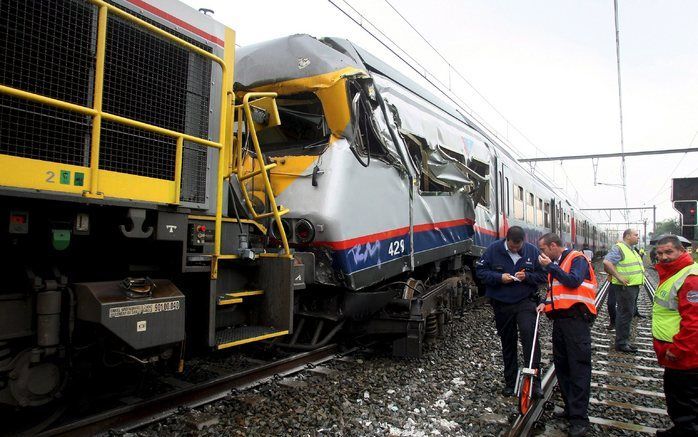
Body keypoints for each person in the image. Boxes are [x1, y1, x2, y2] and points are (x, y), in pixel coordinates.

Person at [537, 233, 597, 437]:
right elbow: (555, 291)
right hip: (561, 321)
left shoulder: (577, 259)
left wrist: (550, 267)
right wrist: (544, 304)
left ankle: (580, 419)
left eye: (543, 249)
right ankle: (571, 409)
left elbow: (573, 282)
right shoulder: (558, 263)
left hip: (576, 321)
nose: (542, 254)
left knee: (578, 367)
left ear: (554, 246)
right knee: (562, 366)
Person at [475, 226, 547, 397]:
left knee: (529, 337)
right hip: (502, 303)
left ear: (523, 241)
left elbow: (544, 276)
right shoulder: (493, 250)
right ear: (506, 240)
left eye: (518, 247)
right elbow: (481, 272)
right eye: (512, 247)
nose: (515, 249)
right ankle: (511, 381)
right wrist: (499, 278)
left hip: (525, 301)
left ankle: (535, 382)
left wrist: (528, 277)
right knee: (508, 341)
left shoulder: (532, 251)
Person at [651, 235, 698, 436]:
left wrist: (677, 349)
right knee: (677, 398)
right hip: (675, 353)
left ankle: (686, 431)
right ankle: (680, 429)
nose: (664, 257)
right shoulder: (674, 273)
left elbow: (694, 323)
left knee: (685, 401)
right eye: (660, 253)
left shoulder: (689, 279)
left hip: (684, 355)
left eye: (669, 252)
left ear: (682, 251)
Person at [602, 229, 644, 351]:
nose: (638, 237)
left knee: (627, 313)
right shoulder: (619, 248)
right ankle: (621, 343)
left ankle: (624, 340)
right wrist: (619, 277)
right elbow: (607, 262)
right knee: (625, 314)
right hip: (625, 287)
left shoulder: (631, 249)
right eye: (636, 235)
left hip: (631, 286)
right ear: (628, 236)